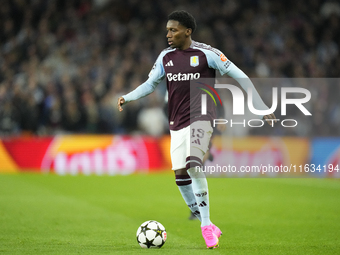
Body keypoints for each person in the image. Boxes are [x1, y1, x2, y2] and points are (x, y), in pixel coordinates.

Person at [117, 10, 276, 249]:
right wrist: (127, 97)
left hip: (203, 117)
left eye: (173, 30)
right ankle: (206, 221)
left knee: (194, 165)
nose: (168, 34)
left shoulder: (208, 54)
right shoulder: (165, 58)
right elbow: (151, 84)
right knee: (181, 176)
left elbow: (239, 76)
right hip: (177, 122)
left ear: (187, 31)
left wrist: (260, 105)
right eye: (167, 30)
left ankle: (205, 226)